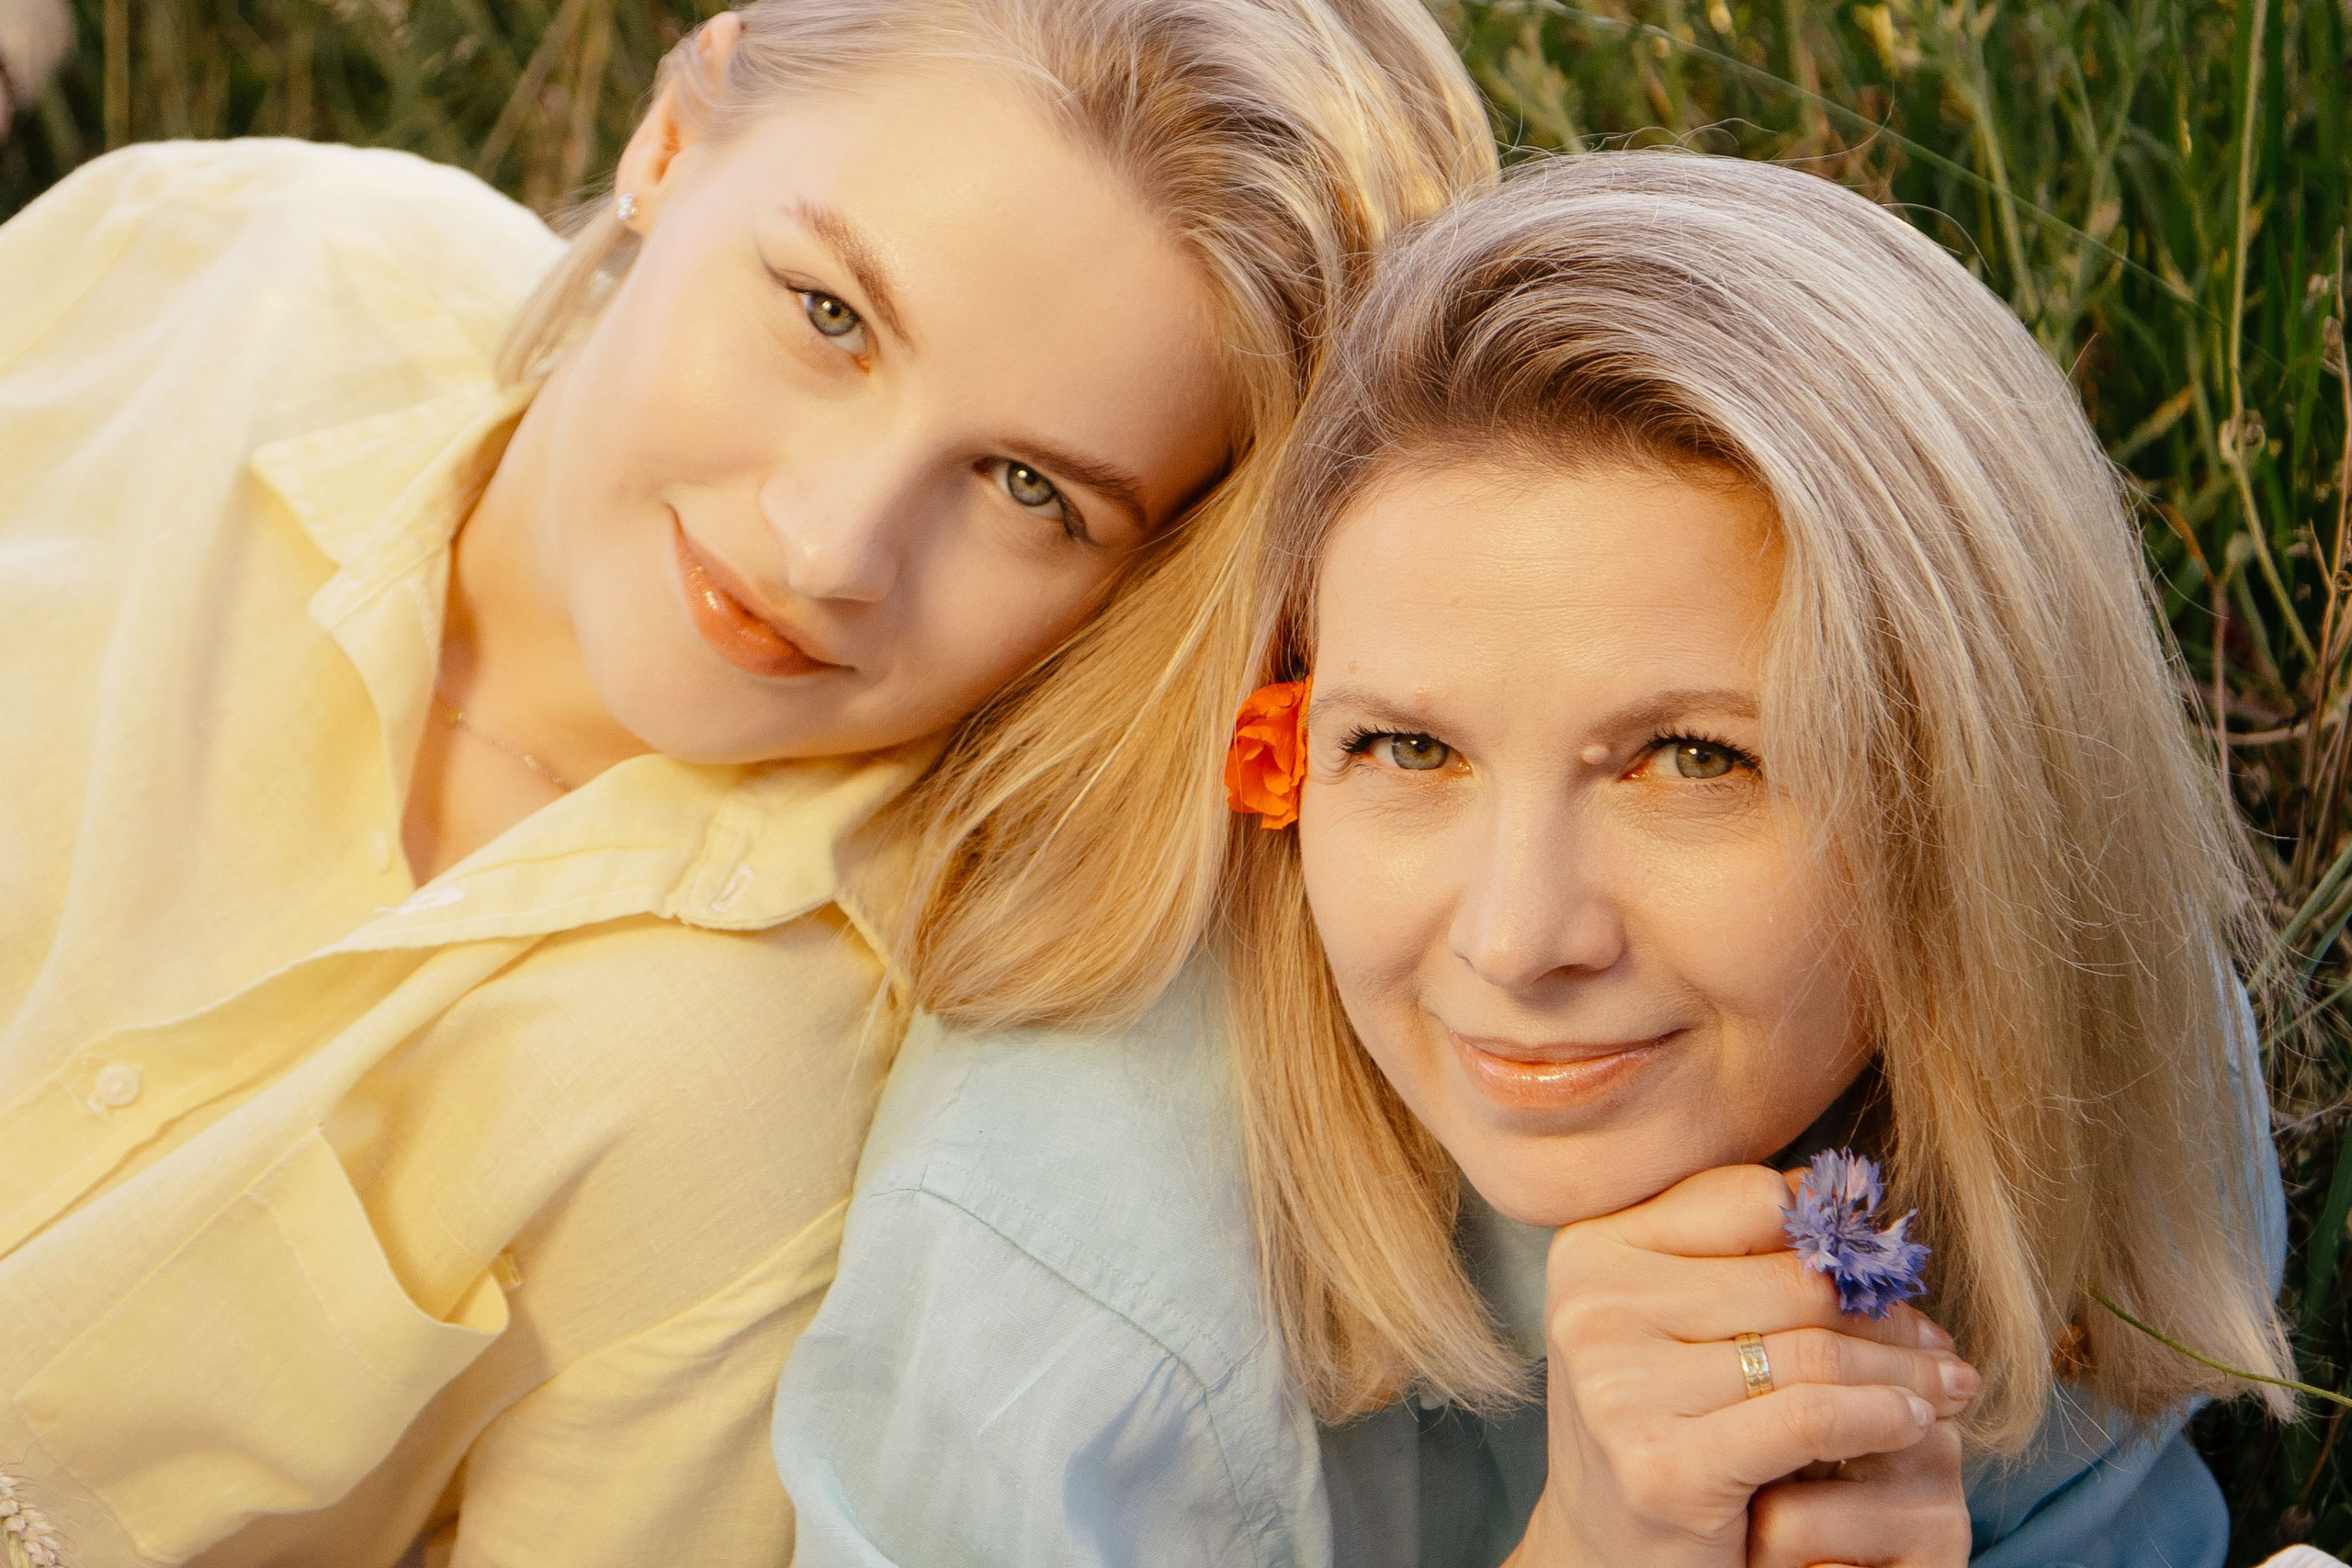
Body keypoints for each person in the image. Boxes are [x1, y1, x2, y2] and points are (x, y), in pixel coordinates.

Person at [0, 1, 1497, 1561]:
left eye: (1031, 490)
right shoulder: (213, 258)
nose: (828, 544)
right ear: (676, 133)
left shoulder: (768, 1114)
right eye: (830, 315)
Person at [774, 152, 2293, 1566]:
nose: (1515, 938)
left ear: (1974, 803)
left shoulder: (2107, 1054)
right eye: (1408, 751)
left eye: (1692, 761)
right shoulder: (1079, 1296)